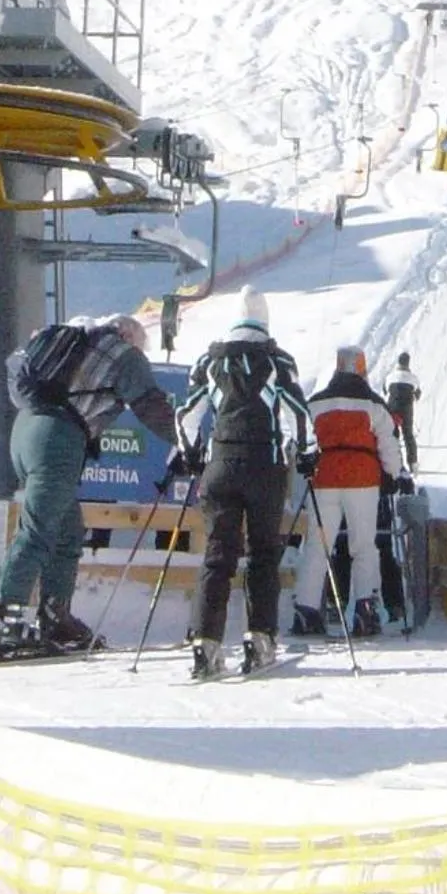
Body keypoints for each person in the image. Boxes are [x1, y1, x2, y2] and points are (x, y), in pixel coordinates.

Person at [0, 313, 175, 660]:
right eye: (141, 345)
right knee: (37, 531)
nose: (142, 353)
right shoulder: (122, 352)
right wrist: (185, 439)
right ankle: (4, 621)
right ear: (128, 333)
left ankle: (56, 616)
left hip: (26, 431)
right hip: (57, 438)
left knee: (66, 532)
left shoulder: (72, 346)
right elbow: (150, 406)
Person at [174, 288, 313, 679]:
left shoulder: (210, 361)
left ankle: (206, 644)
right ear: (264, 321)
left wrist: (192, 453)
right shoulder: (276, 360)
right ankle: (260, 638)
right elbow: (298, 413)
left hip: (219, 465)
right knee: (264, 553)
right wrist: (307, 452)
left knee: (218, 554)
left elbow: (185, 414)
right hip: (264, 465)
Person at [292, 346, 406, 639]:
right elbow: (389, 443)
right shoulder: (373, 404)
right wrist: (393, 474)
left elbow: (299, 440)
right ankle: (364, 610)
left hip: (324, 478)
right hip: (363, 480)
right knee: (363, 547)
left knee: (318, 548)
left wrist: (299, 483)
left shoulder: (316, 403)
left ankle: (306, 612)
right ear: (363, 369)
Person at [385, 351, 421, 468]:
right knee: (408, 435)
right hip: (406, 408)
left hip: (392, 407)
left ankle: (393, 462)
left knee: (393, 435)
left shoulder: (390, 376)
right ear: (408, 363)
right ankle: (412, 463)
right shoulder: (413, 378)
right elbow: (418, 394)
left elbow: (385, 389)